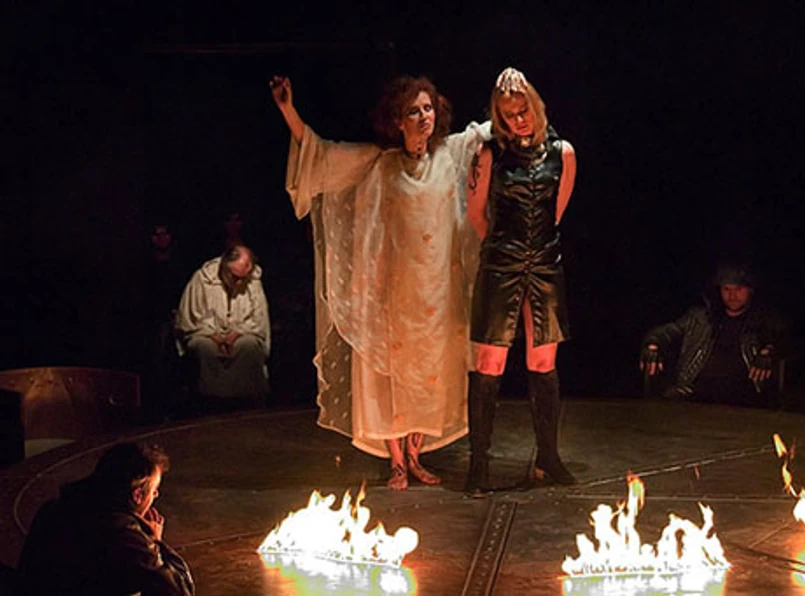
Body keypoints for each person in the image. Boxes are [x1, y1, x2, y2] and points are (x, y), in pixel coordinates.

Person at [270, 74, 490, 490]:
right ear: (397, 120)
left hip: (437, 296)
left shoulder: (449, 155)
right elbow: (321, 155)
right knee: (390, 378)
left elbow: (490, 130)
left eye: (428, 108)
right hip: (392, 297)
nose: (424, 117)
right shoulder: (377, 162)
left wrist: (515, 93)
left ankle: (415, 455)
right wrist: (288, 110)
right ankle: (397, 462)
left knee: (430, 376)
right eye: (413, 111)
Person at [464, 68, 577, 493]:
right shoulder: (490, 153)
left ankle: (548, 457)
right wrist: (504, 248)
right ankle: (479, 463)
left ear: (536, 105)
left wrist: (534, 249)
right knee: (489, 363)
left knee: (544, 362)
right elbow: (476, 213)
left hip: (545, 263)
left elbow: (555, 211)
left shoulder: (563, 153)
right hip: (501, 262)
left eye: (522, 111)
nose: (518, 121)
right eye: (508, 115)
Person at [15, 442, 194, 595]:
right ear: (137, 495)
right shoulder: (122, 535)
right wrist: (155, 542)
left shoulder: (55, 507)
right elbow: (181, 590)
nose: (156, 495)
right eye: (154, 490)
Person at [639, 264, 786, 407]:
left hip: (743, 399)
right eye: (726, 289)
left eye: (739, 289)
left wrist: (768, 351)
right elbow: (668, 331)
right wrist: (653, 344)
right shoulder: (700, 318)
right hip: (694, 394)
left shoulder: (762, 320)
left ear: (750, 291)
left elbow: (782, 340)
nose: (732, 295)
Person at [175, 244, 270, 411]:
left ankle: (246, 402)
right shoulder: (202, 279)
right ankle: (210, 403)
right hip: (206, 333)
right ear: (224, 269)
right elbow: (189, 320)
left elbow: (258, 319)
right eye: (235, 277)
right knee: (204, 347)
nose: (240, 282)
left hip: (242, 333)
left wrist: (237, 333)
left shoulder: (253, 281)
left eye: (244, 278)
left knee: (248, 346)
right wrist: (214, 336)